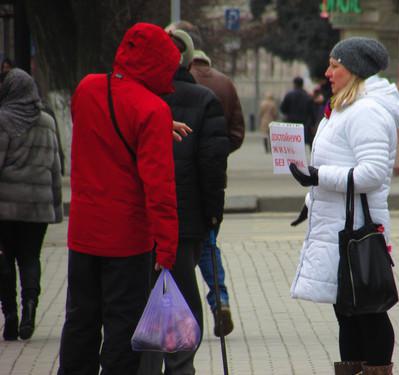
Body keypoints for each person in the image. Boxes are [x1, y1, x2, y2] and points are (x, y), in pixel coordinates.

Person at [57, 23, 180, 375]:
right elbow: (160, 188)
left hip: (82, 235)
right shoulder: (153, 110)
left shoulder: (86, 88)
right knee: (122, 329)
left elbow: (99, 131)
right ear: (158, 64)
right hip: (127, 242)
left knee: (79, 321)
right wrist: (167, 247)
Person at [288, 37, 399, 375]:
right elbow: (340, 163)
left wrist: (318, 176)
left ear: (353, 70)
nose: (327, 72)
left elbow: (372, 173)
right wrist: (311, 198)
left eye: (334, 66)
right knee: (348, 311)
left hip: (357, 228)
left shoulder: (366, 112)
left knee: (368, 310)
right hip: (338, 223)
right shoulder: (342, 108)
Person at [139, 29, 230, 375]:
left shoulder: (137, 95)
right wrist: (213, 215)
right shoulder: (204, 99)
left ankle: (148, 367)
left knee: (147, 296)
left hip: (141, 218)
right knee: (181, 296)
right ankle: (181, 368)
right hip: (187, 220)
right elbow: (211, 164)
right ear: (189, 60)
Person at [167, 20, 245, 337]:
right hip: (207, 180)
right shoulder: (224, 83)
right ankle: (220, 299)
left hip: (171, 182)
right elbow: (237, 132)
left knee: (174, 257)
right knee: (208, 246)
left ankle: (174, 321)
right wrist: (217, 151)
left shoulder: (162, 87)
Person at [0, 68, 63, 341]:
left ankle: (10, 314)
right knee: (30, 258)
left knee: (5, 258)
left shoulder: (2, 120)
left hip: (6, 207)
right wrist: (56, 208)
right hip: (38, 207)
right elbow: (54, 168)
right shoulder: (47, 122)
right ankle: (30, 308)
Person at [280, 76, 315, 148]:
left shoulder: (289, 95)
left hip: (291, 124)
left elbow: (283, 109)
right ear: (302, 84)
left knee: (292, 146)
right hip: (303, 125)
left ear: (294, 84)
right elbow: (311, 112)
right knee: (302, 144)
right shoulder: (307, 96)